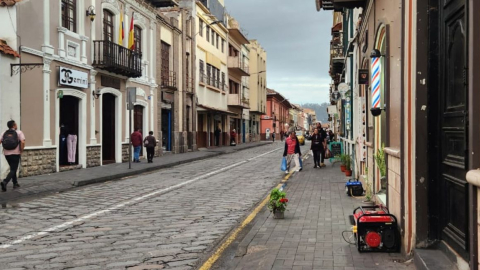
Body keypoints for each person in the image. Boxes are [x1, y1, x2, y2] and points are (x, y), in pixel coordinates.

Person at [0, 120, 26, 192]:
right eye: (16, 124)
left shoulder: (4, 133)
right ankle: (5, 182)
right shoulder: (19, 132)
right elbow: (23, 141)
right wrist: (21, 150)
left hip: (6, 154)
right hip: (15, 153)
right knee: (13, 169)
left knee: (12, 168)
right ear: (14, 125)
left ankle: (15, 183)